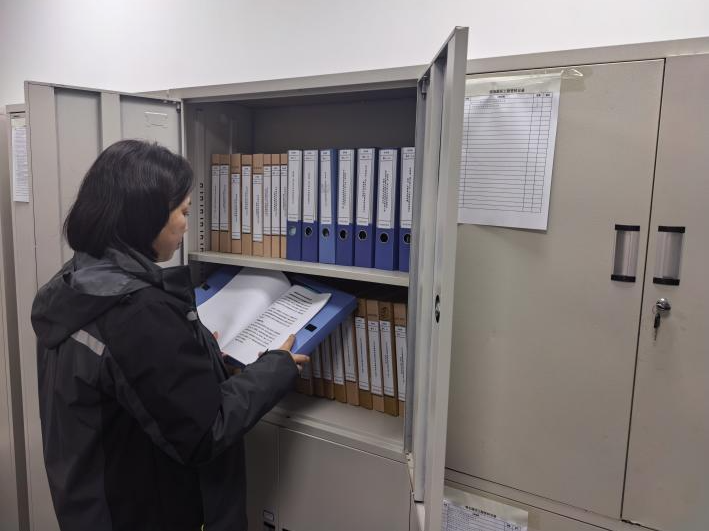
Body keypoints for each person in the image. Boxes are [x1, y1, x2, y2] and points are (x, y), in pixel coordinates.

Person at [31, 139, 307, 531]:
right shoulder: (137, 313)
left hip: (94, 504)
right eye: (183, 212)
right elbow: (204, 431)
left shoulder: (75, 281)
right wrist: (276, 369)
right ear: (145, 217)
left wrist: (194, 351)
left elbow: (130, 380)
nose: (186, 224)